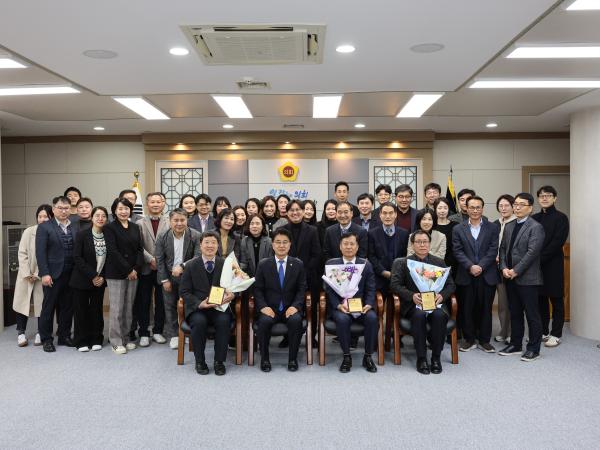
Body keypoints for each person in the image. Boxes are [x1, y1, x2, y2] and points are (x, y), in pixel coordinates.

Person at [390, 230, 456, 374]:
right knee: (419, 315)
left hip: (435, 303)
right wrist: (411, 295)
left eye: (425, 242)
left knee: (439, 316)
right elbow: (395, 285)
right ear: (412, 245)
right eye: (418, 242)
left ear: (429, 244)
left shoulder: (438, 262)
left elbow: (451, 285)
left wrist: (442, 296)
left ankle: (436, 358)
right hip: (414, 304)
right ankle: (421, 358)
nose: (422, 245)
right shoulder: (404, 263)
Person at [179, 231, 235, 376]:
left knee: (224, 321)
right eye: (207, 242)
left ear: (218, 246)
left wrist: (232, 295)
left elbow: (235, 287)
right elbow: (184, 291)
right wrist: (199, 303)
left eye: (213, 243)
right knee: (199, 322)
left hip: (219, 307)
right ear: (200, 245)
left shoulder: (225, 264)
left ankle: (219, 362)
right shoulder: (191, 265)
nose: (210, 246)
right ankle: (200, 361)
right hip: (198, 309)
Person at [498, 193, 545, 362]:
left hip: (528, 279)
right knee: (515, 312)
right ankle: (516, 344)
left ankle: (534, 348)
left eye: (521, 204)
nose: (516, 207)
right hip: (509, 277)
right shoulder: (510, 225)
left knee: (532, 315)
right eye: (515, 204)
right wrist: (503, 268)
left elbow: (532, 253)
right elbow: (502, 249)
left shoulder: (536, 227)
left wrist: (516, 270)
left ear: (530, 208)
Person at [253, 228, 306, 372]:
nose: (281, 246)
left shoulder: (298, 264)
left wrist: (295, 306)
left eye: (285, 242)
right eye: (278, 242)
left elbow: (302, 289)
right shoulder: (264, 264)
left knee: (295, 321)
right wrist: (263, 307)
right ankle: (264, 359)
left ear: (290, 245)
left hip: (290, 307)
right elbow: (257, 289)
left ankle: (293, 359)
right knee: (264, 321)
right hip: (270, 308)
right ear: (273, 245)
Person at [324, 232, 379, 373]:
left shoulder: (366, 264)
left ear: (357, 246)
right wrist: (337, 305)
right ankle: (346, 356)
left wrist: (368, 304)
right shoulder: (331, 264)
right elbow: (328, 290)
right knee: (342, 320)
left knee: (372, 318)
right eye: (345, 244)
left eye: (352, 244)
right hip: (340, 306)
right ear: (340, 247)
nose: (349, 247)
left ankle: (368, 356)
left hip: (360, 306)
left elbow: (371, 287)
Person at [452, 196, 500, 353]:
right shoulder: (458, 229)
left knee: (486, 308)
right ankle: (469, 339)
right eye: (471, 207)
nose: (474, 210)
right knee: (467, 308)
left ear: (482, 208)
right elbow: (457, 250)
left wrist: (480, 266)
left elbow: (493, 249)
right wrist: (470, 266)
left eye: (478, 207)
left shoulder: (492, 227)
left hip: (487, 274)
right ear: (466, 208)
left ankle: (485, 340)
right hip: (466, 274)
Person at [36, 196, 79, 352]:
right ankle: (46, 339)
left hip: (71, 273)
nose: (63, 211)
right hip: (53, 274)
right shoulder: (45, 227)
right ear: (53, 209)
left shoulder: (75, 226)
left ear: (70, 209)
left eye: (66, 208)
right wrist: (45, 274)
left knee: (68, 307)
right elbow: (40, 253)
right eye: (60, 208)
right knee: (49, 307)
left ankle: (64, 336)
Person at [156, 208, 202, 349]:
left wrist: (182, 266)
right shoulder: (162, 236)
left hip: (189, 276)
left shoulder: (195, 235)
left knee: (189, 305)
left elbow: (198, 257)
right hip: (169, 276)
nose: (179, 223)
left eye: (182, 220)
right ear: (170, 222)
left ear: (187, 221)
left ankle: (187, 333)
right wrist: (164, 280)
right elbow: (160, 259)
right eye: (176, 220)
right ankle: (175, 335)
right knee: (169, 306)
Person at [104, 197, 144, 355]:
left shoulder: (135, 227)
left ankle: (126, 338)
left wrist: (135, 269)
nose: (123, 211)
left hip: (134, 273)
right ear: (114, 210)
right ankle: (116, 341)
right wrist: (128, 270)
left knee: (128, 308)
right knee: (117, 308)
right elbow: (113, 251)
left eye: (126, 208)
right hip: (116, 273)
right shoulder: (109, 228)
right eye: (120, 208)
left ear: (130, 210)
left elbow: (140, 249)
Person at [532, 186, 569, 348]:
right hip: (536, 265)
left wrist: (538, 258)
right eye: (541, 196)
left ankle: (556, 334)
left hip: (553, 264)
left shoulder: (561, 217)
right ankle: (543, 331)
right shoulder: (534, 217)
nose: (545, 198)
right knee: (540, 299)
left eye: (548, 196)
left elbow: (557, 242)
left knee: (556, 299)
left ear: (555, 198)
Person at [282, 200, 321, 346]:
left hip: (310, 276)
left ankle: (312, 337)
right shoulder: (283, 230)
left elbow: (316, 254)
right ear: (287, 213)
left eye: (298, 209)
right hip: (287, 277)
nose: (295, 212)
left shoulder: (312, 230)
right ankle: (287, 337)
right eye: (291, 210)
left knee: (312, 307)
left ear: (303, 211)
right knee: (288, 305)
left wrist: (302, 270)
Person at [13, 204, 52, 347]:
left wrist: (37, 274)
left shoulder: (52, 232)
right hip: (25, 275)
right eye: (39, 216)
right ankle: (21, 332)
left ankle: (40, 332)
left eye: (45, 217)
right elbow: (21, 253)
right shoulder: (29, 231)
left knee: (41, 304)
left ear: (50, 218)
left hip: (41, 275)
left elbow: (50, 256)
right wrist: (27, 273)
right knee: (22, 302)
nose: (42, 219)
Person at [70, 206, 108, 352]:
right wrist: (93, 275)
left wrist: (101, 277)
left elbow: (110, 259)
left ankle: (96, 338)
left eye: (103, 216)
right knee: (81, 311)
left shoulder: (108, 235)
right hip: (81, 279)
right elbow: (77, 258)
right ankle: (81, 340)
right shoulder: (82, 234)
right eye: (97, 215)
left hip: (100, 281)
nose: (100, 218)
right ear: (92, 218)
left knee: (97, 310)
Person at [136, 192, 170, 347]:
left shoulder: (170, 222)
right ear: (147, 204)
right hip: (145, 267)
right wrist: (150, 259)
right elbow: (138, 246)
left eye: (158, 201)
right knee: (144, 301)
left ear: (163, 203)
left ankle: (158, 331)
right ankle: (143, 332)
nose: (155, 204)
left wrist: (160, 261)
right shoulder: (139, 223)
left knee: (162, 301)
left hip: (164, 268)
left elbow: (171, 245)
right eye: (152, 202)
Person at [367, 202, 409, 299]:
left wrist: (396, 273)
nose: (388, 216)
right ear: (380, 215)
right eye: (384, 213)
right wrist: (383, 272)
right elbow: (371, 256)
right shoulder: (372, 233)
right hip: (379, 277)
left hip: (399, 278)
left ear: (395, 214)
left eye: (390, 213)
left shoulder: (404, 233)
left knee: (398, 308)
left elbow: (405, 255)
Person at [493, 194, 516, 343]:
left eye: (506, 205)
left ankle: (513, 333)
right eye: (501, 206)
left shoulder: (517, 223)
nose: (503, 208)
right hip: (496, 267)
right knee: (502, 302)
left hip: (512, 268)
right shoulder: (496, 223)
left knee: (513, 302)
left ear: (513, 206)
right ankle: (503, 331)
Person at [433, 197, 458, 272]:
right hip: (434, 263)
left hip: (452, 264)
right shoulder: (431, 225)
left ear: (448, 209)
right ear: (435, 209)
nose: (442, 211)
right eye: (439, 208)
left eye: (445, 208)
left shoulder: (455, 226)